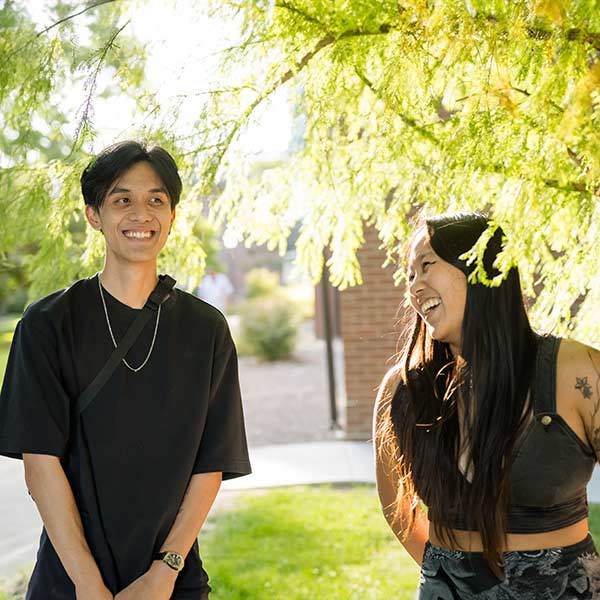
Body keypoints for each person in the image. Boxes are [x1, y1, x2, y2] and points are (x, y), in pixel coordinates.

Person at [0, 140, 251, 599]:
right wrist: (88, 585)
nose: (142, 214)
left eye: (156, 199)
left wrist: (164, 573)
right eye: (122, 200)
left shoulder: (206, 329)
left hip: (173, 583)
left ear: (172, 216)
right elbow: (40, 463)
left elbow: (211, 464)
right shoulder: (47, 325)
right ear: (95, 214)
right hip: (68, 584)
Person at [373, 211, 600, 598]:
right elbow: (400, 511)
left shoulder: (577, 372)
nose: (414, 287)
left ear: (482, 267)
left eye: (426, 266)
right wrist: (450, 578)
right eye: (410, 275)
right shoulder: (403, 389)